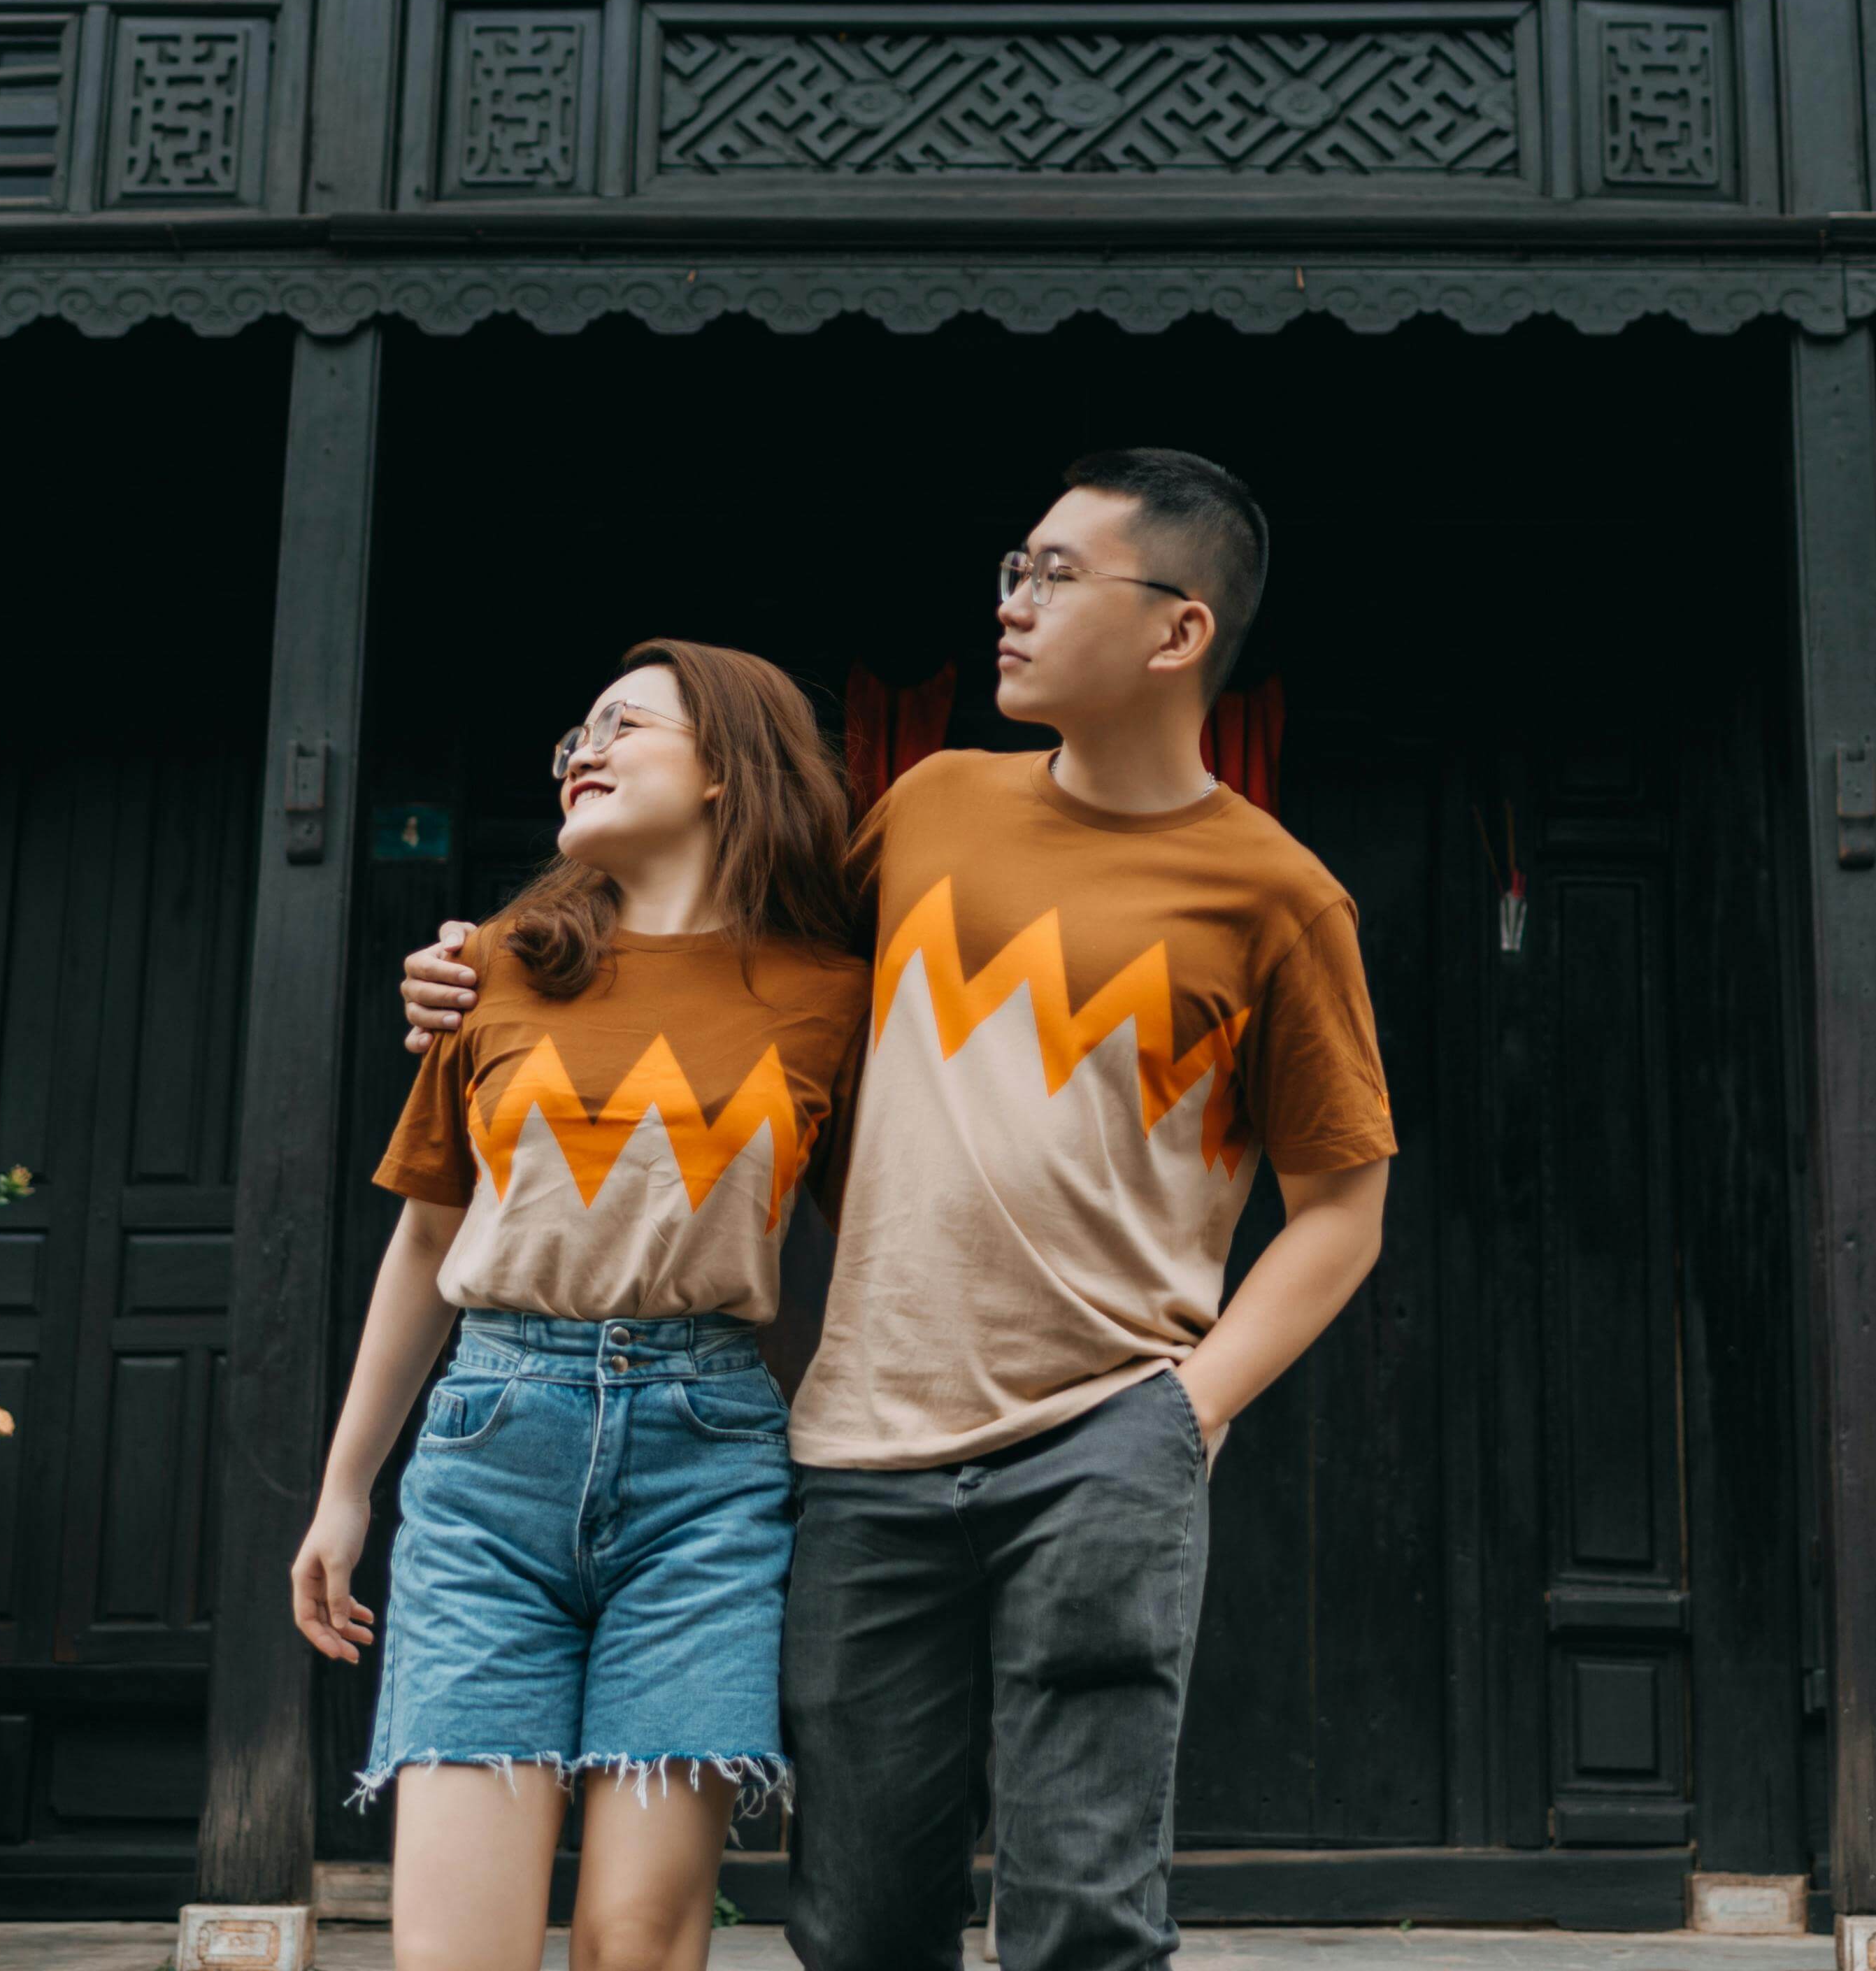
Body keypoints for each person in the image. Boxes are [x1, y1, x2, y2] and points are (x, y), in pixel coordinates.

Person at [403, 450, 1396, 1971]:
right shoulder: (930, 804)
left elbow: (1342, 1210)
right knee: (858, 1924)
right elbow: (731, 943)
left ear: (1178, 630)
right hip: (860, 1451)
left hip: (1099, 1443)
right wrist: (502, 959)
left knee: (1079, 1920)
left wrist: (1186, 1412)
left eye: (1054, 574)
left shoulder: (1278, 897)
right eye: (1011, 568)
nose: (1011, 602)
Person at [296, 638, 871, 1971]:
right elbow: (427, 1234)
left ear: (727, 767)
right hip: (489, 1456)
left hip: (712, 1473)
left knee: (636, 1946)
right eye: (573, 738)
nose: (582, 753)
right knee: (458, 1951)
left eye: (623, 726)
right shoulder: (494, 965)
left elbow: (882, 1239)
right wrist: (343, 1491)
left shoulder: (833, 994)